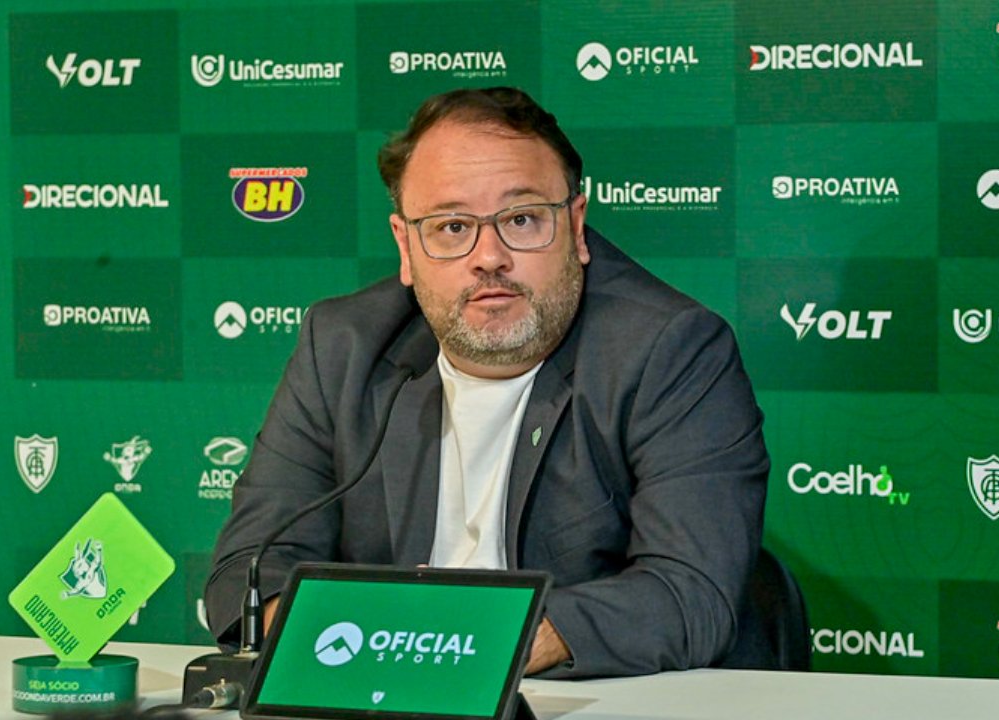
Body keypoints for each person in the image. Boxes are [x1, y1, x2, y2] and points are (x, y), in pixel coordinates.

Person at [204, 86, 771, 678]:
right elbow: (248, 572)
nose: (488, 256)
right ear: (405, 244)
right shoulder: (343, 347)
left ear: (577, 227)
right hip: (380, 692)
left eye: (522, 219)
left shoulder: (669, 350)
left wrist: (467, 651)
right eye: (452, 227)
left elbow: (690, 592)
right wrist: (372, 657)